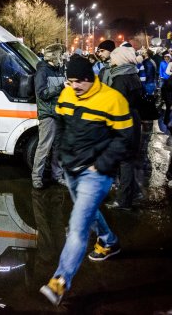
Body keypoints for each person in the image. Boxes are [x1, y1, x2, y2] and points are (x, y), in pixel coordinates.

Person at [39, 56, 134, 306]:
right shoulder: (68, 95)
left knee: (78, 225)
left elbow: (125, 138)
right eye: (70, 81)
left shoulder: (113, 100)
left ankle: (59, 281)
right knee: (89, 214)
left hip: (96, 174)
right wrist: (61, 153)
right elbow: (61, 125)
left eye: (79, 81)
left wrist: (101, 165)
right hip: (72, 168)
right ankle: (109, 241)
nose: (74, 86)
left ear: (90, 77)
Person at [103, 46, 143, 210]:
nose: (111, 60)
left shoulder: (120, 79)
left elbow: (116, 105)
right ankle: (134, 192)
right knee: (128, 159)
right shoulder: (133, 74)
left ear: (120, 59)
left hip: (123, 122)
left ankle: (123, 201)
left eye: (113, 57)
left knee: (124, 161)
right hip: (134, 119)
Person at [31, 44, 66, 189]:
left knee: (58, 147)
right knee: (44, 147)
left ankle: (57, 175)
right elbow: (42, 93)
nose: (62, 57)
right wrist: (61, 86)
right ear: (54, 56)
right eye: (60, 54)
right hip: (48, 115)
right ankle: (36, 178)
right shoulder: (42, 71)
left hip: (59, 113)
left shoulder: (59, 70)